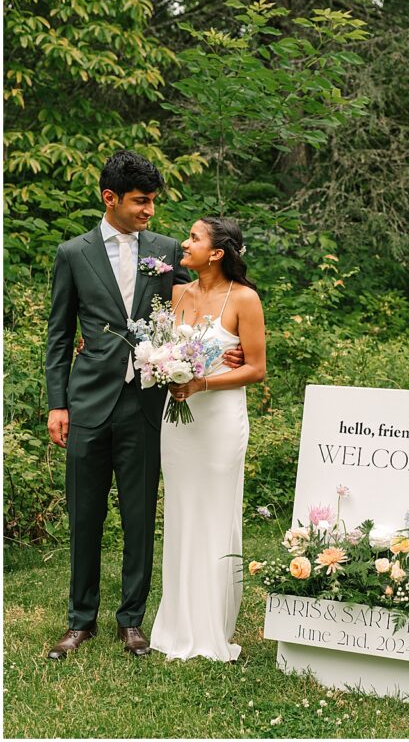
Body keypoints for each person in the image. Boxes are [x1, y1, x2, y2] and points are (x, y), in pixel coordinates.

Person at [45, 151, 190, 659]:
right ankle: (79, 620)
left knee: (138, 515)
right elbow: (60, 336)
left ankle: (131, 620)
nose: (150, 210)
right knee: (84, 515)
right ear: (111, 199)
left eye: (152, 201)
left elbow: (196, 305)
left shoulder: (167, 250)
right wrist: (57, 404)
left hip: (144, 404)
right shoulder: (73, 253)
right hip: (87, 402)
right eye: (141, 202)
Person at [149, 217, 266, 662]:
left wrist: (203, 383)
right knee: (180, 513)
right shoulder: (177, 293)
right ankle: (176, 621)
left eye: (194, 238)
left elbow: (255, 368)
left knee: (215, 514)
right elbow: (157, 345)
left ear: (216, 253)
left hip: (218, 419)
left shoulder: (245, 300)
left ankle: (211, 626)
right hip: (177, 422)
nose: (185, 242)